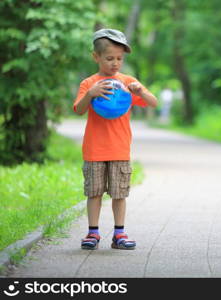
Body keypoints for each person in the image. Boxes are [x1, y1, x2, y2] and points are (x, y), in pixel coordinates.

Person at [73, 28, 158, 250]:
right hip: (94, 150)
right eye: (110, 58)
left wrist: (140, 91)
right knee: (94, 192)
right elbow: (78, 110)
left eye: (120, 58)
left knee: (119, 194)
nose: (115, 63)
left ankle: (119, 234)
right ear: (96, 57)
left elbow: (153, 102)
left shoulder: (128, 83)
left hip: (119, 149)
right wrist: (91, 94)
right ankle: (93, 234)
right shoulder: (89, 83)